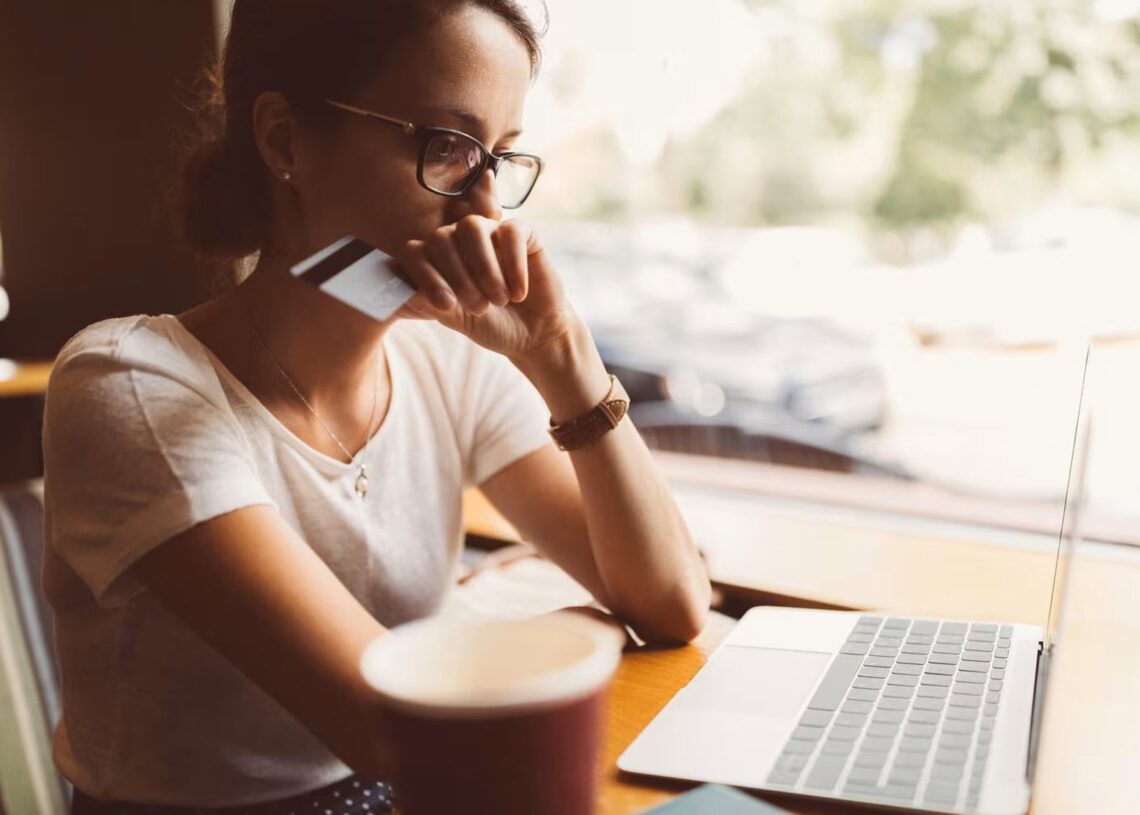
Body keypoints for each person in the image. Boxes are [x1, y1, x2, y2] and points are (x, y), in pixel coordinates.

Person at [41, 1, 711, 812]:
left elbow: (673, 603)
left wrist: (560, 355)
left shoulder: (446, 360)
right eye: (449, 146)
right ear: (285, 140)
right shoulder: (132, 386)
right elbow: (396, 730)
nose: (487, 212)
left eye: (501, 157)